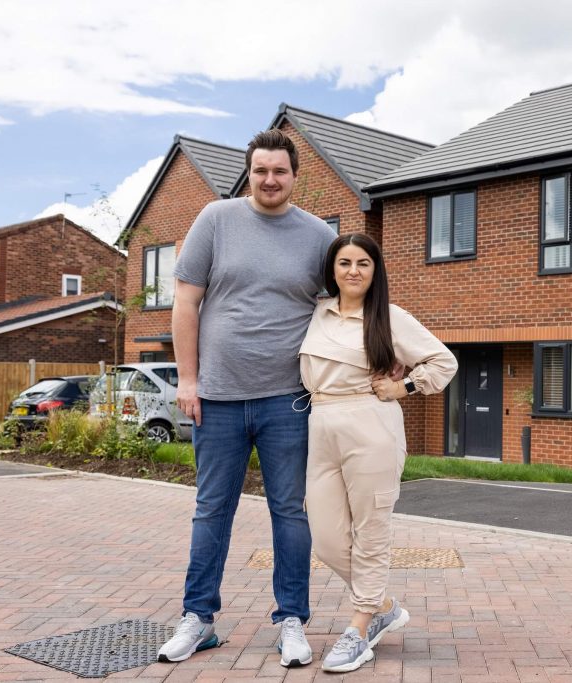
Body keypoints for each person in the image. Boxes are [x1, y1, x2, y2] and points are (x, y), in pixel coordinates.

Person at [157, 129, 336, 667]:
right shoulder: (215, 219)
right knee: (212, 509)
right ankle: (198, 619)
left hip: (289, 399)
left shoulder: (318, 237)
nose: (270, 180)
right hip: (218, 397)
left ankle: (291, 621)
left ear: (295, 176)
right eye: (260, 170)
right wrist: (188, 380)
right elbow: (185, 303)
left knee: (291, 513)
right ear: (249, 172)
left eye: (280, 171)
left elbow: (338, 313)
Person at [299, 232, 456, 672]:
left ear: (375, 270)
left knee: (370, 530)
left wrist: (402, 386)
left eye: (363, 263)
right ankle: (384, 605)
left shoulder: (389, 317)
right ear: (332, 268)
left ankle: (360, 627)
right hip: (321, 422)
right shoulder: (317, 314)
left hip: (371, 424)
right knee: (328, 539)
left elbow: (443, 362)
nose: (353, 271)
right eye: (345, 262)